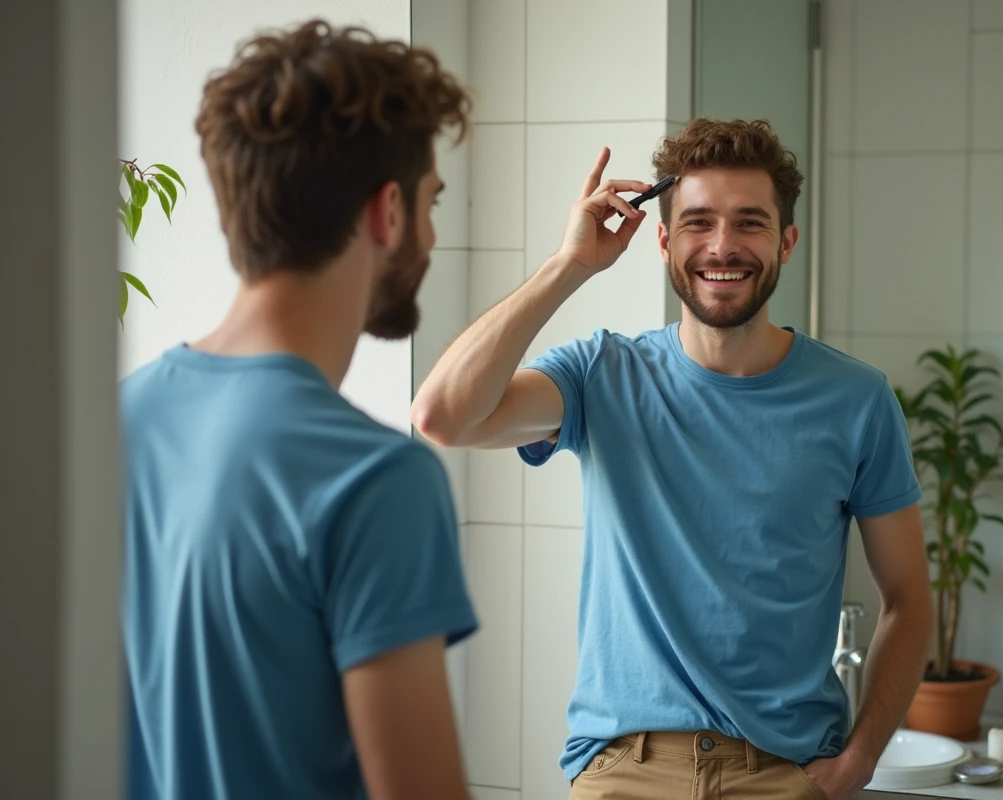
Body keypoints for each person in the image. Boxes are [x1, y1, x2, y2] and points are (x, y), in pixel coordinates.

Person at [412, 118, 934, 800]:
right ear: (662, 240)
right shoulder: (599, 374)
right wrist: (569, 264)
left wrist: (857, 764)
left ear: (787, 242)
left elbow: (910, 600)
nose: (723, 246)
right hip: (624, 770)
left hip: (784, 773)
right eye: (697, 222)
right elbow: (442, 416)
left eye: (750, 223)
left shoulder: (856, 400)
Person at [121, 20, 476, 800]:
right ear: (388, 212)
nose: (431, 232)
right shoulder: (377, 478)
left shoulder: (111, 426)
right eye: (430, 202)